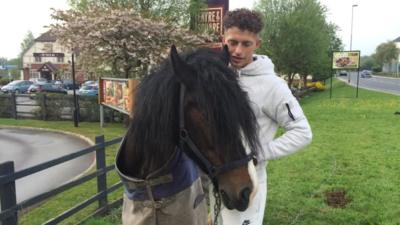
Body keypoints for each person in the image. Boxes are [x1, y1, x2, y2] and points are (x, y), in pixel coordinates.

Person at [212, 8, 313, 225]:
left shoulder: (273, 86)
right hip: (212, 178)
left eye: (246, 44)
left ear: (257, 44)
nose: (238, 51)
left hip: (245, 182)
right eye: (233, 42)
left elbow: (303, 132)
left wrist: (259, 154)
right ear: (224, 40)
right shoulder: (217, 77)